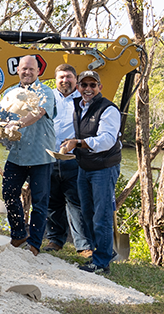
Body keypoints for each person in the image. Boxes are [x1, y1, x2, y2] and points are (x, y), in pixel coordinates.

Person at [60, 70, 122, 274]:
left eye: (92, 85)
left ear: (100, 87)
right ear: (78, 87)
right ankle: (104, 250)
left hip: (104, 167)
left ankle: (101, 262)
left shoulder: (109, 110)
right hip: (85, 166)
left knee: (101, 214)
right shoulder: (78, 106)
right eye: (84, 85)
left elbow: (106, 140)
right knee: (87, 211)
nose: (87, 89)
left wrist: (77, 143)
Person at [0, 55, 56, 256]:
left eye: (32, 69)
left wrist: (18, 123)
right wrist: (2, 130)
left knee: (40, 202)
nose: (27, 72)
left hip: (41, 155)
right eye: (24, 69)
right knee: (8, 194)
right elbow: (3, 120)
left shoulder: (46, 92)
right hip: (17, 154)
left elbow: (38, 113)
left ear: (38, 71)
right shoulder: (9, 93)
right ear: (18, 70)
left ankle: (34, 244)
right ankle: (18, 234)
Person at [45, 64, 91, 257]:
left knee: (76, 201)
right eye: (61, 77)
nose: (65, 80)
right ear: (56, 80)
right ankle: (55, 239)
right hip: (49, 156)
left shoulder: (84, 101)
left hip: (74, 159)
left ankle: (83, 245)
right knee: (51, 201)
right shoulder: (48, 98)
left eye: (69, 77)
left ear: (76, 79)